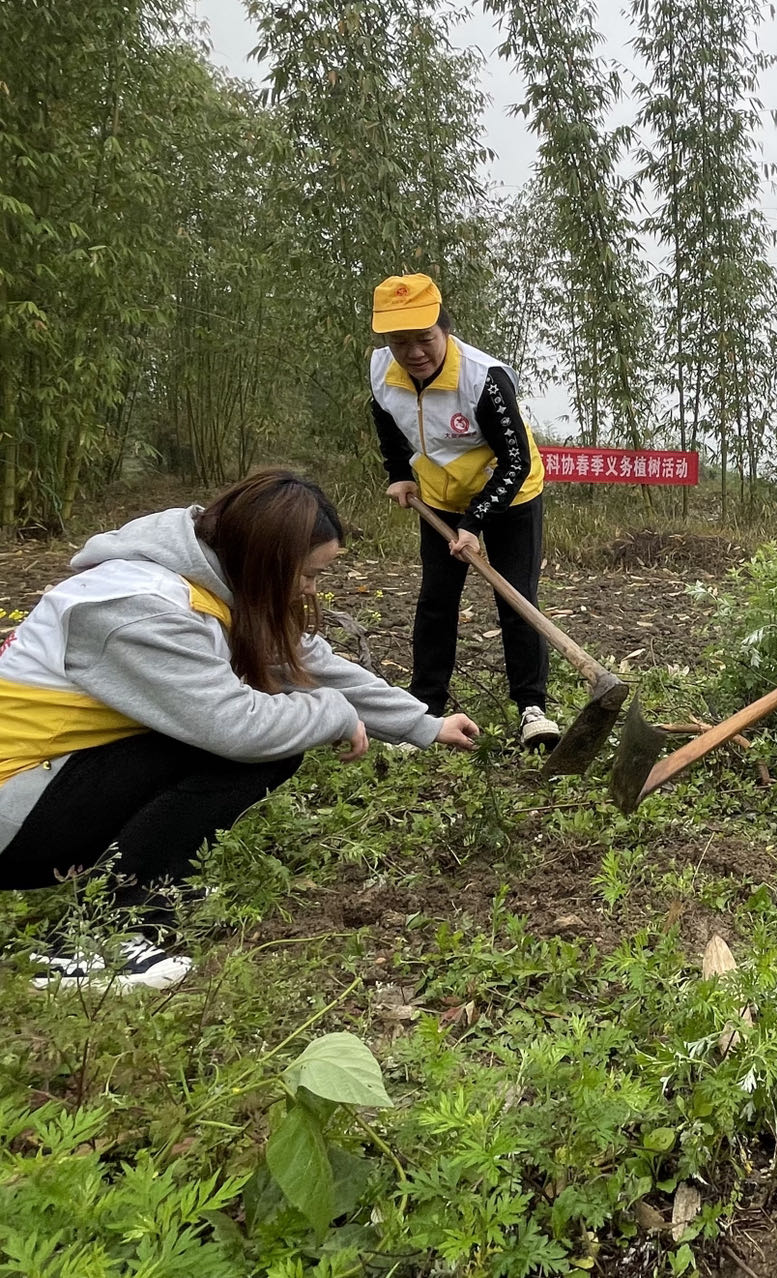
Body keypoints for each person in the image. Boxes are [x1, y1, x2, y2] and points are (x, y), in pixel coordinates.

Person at [0, 470, 481, 990]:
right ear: (266, 558)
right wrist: (334, 714)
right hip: (14, 806)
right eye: (308, 574)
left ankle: (137, 898)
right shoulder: (140, 609)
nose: (310, 590)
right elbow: (235, 727)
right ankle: (96, 938)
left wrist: (424, 725)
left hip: (49, 783)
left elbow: (307, 662)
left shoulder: (214, 578)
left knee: (257, 740)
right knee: (251, 749)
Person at [369, 273, 560, 751]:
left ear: (444, 330)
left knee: (515, 597)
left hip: (510, 494)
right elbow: (386, 419)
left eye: (425, 339)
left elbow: (515, 460)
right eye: (400, 341)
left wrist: (474, 523)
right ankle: (426, 711)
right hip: (439, 496)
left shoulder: (483, 379)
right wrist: (399, 471)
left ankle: (531, 708)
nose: (414, 352)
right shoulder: (381, 372)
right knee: (436, 600)